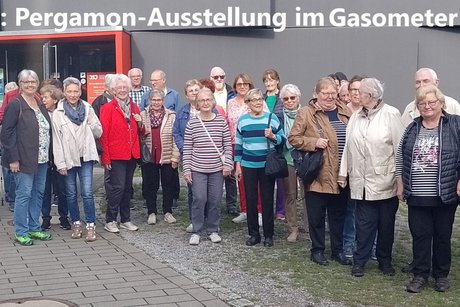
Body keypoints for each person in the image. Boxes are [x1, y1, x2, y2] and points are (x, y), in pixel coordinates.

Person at [338, 77, 404, 277]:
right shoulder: (356, 116)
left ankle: (385, 261)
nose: (357, 95)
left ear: (373, 96)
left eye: (362, 92)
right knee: (364, 225)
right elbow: (348, 147)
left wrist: (400, 180)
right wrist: (343, 173)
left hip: (385, 181)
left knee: (385, 226)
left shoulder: (391, 114)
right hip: (362, 182)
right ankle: (360, 261)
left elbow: (399, 149)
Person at [396, 85, 460, 293]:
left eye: (432, 102)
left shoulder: (454, 124)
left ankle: (441, 276)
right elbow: (400, 156)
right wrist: (400, 183)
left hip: (445, 192)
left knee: (442, 236)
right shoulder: (413, 127)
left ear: (441, 104)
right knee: (420, 236)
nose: (427, 106)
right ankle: (420, 275)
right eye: (422, 103)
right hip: (417, 194)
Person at [289, 77, 351, 265]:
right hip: (318, 174)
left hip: (341, 173)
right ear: (316, 94)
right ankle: (317, 250)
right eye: (325, 93)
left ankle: (337, 250)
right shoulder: (306, 113)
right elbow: (293, 137)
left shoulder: (345, 112)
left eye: (333, 93)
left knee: (338, 215)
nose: (330, 97)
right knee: (316, 216)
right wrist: (313, 142)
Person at [0, 69, 52, 245]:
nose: (30, 84)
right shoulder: (15, 104)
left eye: (33, 81)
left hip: (42, 158)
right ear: (20, 85)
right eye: (26, 82)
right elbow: (6, 133)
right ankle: (21, 231)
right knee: (24, 194)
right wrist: (13, 159)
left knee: (38, 193)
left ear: (37, 83)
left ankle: (34, 228)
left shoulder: (39, 102)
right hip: (23, 159)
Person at [52, 77, 102, 242]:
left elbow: (99, 132)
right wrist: (60, 163)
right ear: (64, 93)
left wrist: (91, 125)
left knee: (87, 193)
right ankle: (76, 223)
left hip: (85, 156)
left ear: (81, 92)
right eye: (70, 91)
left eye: (76, 91)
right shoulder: (58, 113)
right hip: (68, 158)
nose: (73, 95)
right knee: (71, 193)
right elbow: (56, 141)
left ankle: (90, 225)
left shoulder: (88, 108)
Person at [234, 88, 286, 247]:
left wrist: (272, 136)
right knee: (250, 200)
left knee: (267, 199)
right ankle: (254, 234)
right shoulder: (242, 120)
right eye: (253, 100)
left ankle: (269, 235)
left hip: (266, 165)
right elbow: (239, 144)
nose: (257, 102)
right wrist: (237, 164)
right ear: (247, 103)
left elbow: (283, 140)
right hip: (248, 165)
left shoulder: (272, 118)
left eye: (259, 99)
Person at [183, 88, 233, 245]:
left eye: (208, 100)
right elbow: (188, 148)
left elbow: (227, 146)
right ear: (197, 103)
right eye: (202, 100)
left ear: (213, 102)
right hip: (197, 169)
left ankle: (212, 229)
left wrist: (228, 164)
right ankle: (197, 230)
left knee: (215, 200)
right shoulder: (192, 123)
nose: (205, 103)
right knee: (199, 198)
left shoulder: (221, 122)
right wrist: (187, 169)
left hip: (217, 170)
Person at [100, 74, 141, 233]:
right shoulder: (107, 108)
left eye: (125, 87)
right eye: (119, 88)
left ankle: (125, 219)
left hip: (131, 154)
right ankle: (110, 220)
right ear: (113, 91)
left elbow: (141, 132)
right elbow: (104, 134)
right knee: (117, 188)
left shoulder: (134, 107)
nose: (122, 90)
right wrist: (106, 157)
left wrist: (140, 122)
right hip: (116, 154)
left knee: (127, 188)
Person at [227, 74, 264, 225]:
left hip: (254, 143)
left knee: (257, 180)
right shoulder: (230, 103)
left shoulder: (256, 100)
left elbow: (265, 118)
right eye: (239, 84)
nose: (242, 86)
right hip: (236, 143)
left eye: (245, 84)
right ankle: (245, 210)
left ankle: (259, 211)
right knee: (240, 178)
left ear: (250, 86)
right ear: (235, 86)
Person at [140, 88, 180, 225]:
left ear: (163, 101)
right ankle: (152, 212)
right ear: (149, 100)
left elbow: (176, 137)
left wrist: (175, 157)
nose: (156, 102)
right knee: (151, 185)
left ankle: (168, 211)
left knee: (168, 185)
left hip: (167, 155)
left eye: (159, 100)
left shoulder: (171, 115)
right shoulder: (142, 115)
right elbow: (139, 136)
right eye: (154, 100)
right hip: (150, 156)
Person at [39, 84, 71, 231]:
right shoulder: (40, 113)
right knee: (45, 190)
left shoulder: (62, 112)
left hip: (60, 156)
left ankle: (64, 218)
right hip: (45, 157)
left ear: (54, 98)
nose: (43, 100)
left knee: (62, 189)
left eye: (46, 97)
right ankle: (46, 218)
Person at [173, 79, 202, 232]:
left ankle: (208, 220)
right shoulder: (182, 112)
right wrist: (185, 148)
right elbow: (176, 132)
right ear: (186, 94)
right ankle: (194, 220)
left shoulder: (210, 109)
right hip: (189, 156)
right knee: (193, 190)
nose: (194, 93)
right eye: (191, 91)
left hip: (206, 155)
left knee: (207, 190)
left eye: (196, 90)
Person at [277, 84, 302, 242]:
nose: (289, 101)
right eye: (286, 98)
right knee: (290, 194)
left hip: (306, 158)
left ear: (298, 98)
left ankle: (309, 226)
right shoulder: (279, 116)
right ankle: (293, 228)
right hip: (287, 159)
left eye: (292, 97)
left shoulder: (306, 113)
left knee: (309, 195)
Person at [262, 68, 285, 221]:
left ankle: (281, 210)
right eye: (266, 80)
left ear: (277, 80)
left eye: (271, 79)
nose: (269, 83)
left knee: (280, 175)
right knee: (265, 176)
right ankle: (266, 207)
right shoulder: (261, 98)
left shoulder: (283, 98)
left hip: (279, 140)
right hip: (263, 143)